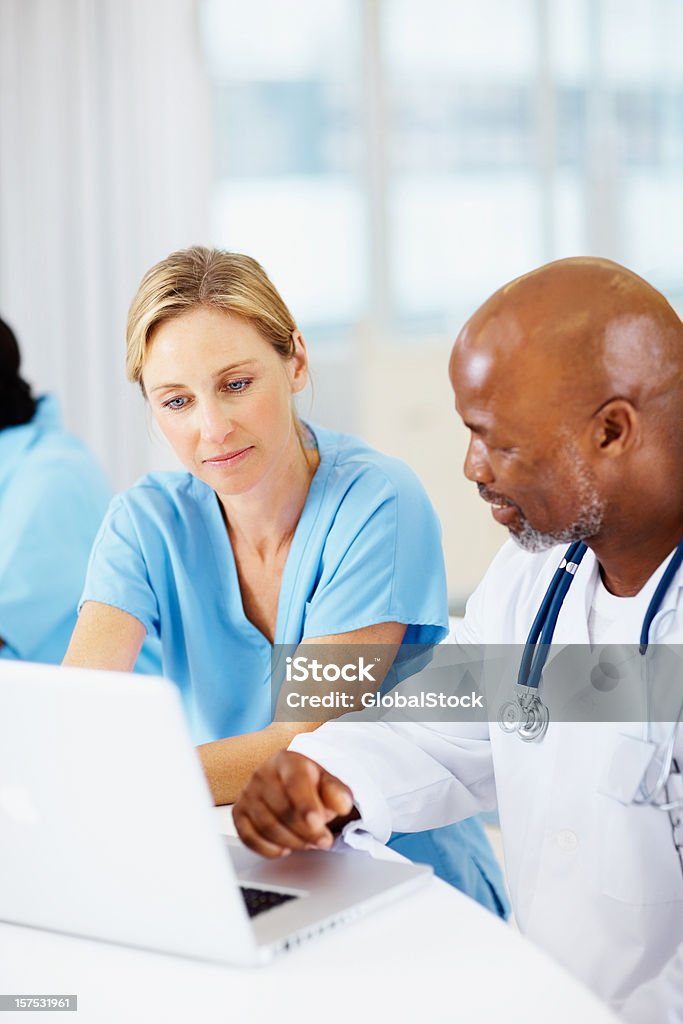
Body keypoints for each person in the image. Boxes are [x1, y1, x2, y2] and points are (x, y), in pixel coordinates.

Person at [232, 257, 683, 1024]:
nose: (471, 467)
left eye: (495, 441)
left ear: (610, 430)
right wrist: (324, 779)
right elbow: (438, 719)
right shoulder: (538, 579)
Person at [62, 245, 508, 915]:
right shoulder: (144, 523)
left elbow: (298, 743)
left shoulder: (375, 503)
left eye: (236, 383)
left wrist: (119, 777)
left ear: (295, 360)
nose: (211, 428)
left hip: (402, 878)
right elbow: (74, 716)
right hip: (244, 870)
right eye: (176, 401)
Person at [0, 315, 112, 663]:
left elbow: (286, 714)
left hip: (106, 711)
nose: (214, 429)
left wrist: (286, 712)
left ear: (289, 367)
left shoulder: (56, 474)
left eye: (237, 384)